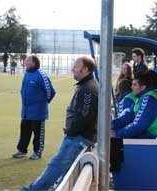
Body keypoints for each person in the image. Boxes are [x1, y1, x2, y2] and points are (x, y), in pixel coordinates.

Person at [19, 56, 98, 191]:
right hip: (78, 136)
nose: (73, 68)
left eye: (76, 66)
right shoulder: (86, 85)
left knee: (54, 167)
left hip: (77, 138)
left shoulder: (88, 89)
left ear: (85, 69)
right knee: (62, 170)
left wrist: (71, 130)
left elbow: (85, 116)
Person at [13, 55, 56, 160]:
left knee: (38, 134)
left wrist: (41, 104)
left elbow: (51, 92)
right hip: (26, 112)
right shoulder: (27, 74)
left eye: (27, 61)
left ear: (33, 63)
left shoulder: (41, 75)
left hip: (38, 112)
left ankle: (37, 152)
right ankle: (22, 150)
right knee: (24, 131)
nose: (25, 63)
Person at [111, 70, 157, 139]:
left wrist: (117, 134)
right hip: (149, 134)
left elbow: (139, 127)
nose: (131, 87)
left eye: (134, 84)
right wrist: (113, 124)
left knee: (114, 140)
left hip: (151, 137)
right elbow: (130, 115)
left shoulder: (150, 99)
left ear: (143, 87)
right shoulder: (143, 96)